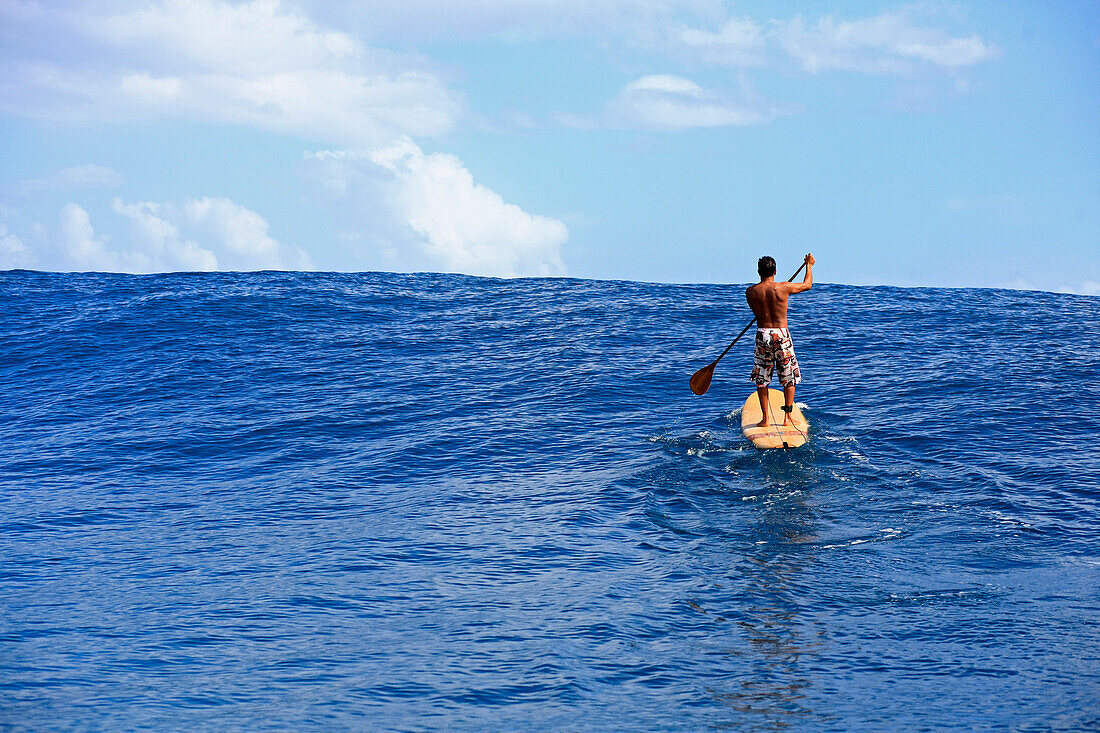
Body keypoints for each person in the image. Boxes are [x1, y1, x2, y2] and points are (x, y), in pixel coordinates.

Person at [745, 253, 814, 428]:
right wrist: (809, 265)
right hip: (782, 335)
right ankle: (787, 418)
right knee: (788, 378)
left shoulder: (751, 292)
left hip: (763, 334)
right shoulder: (783, 287)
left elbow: (756, 311)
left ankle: (766, 420)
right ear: (775, 271)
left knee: (762, 379)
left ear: (758, 271)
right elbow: (807, 285)